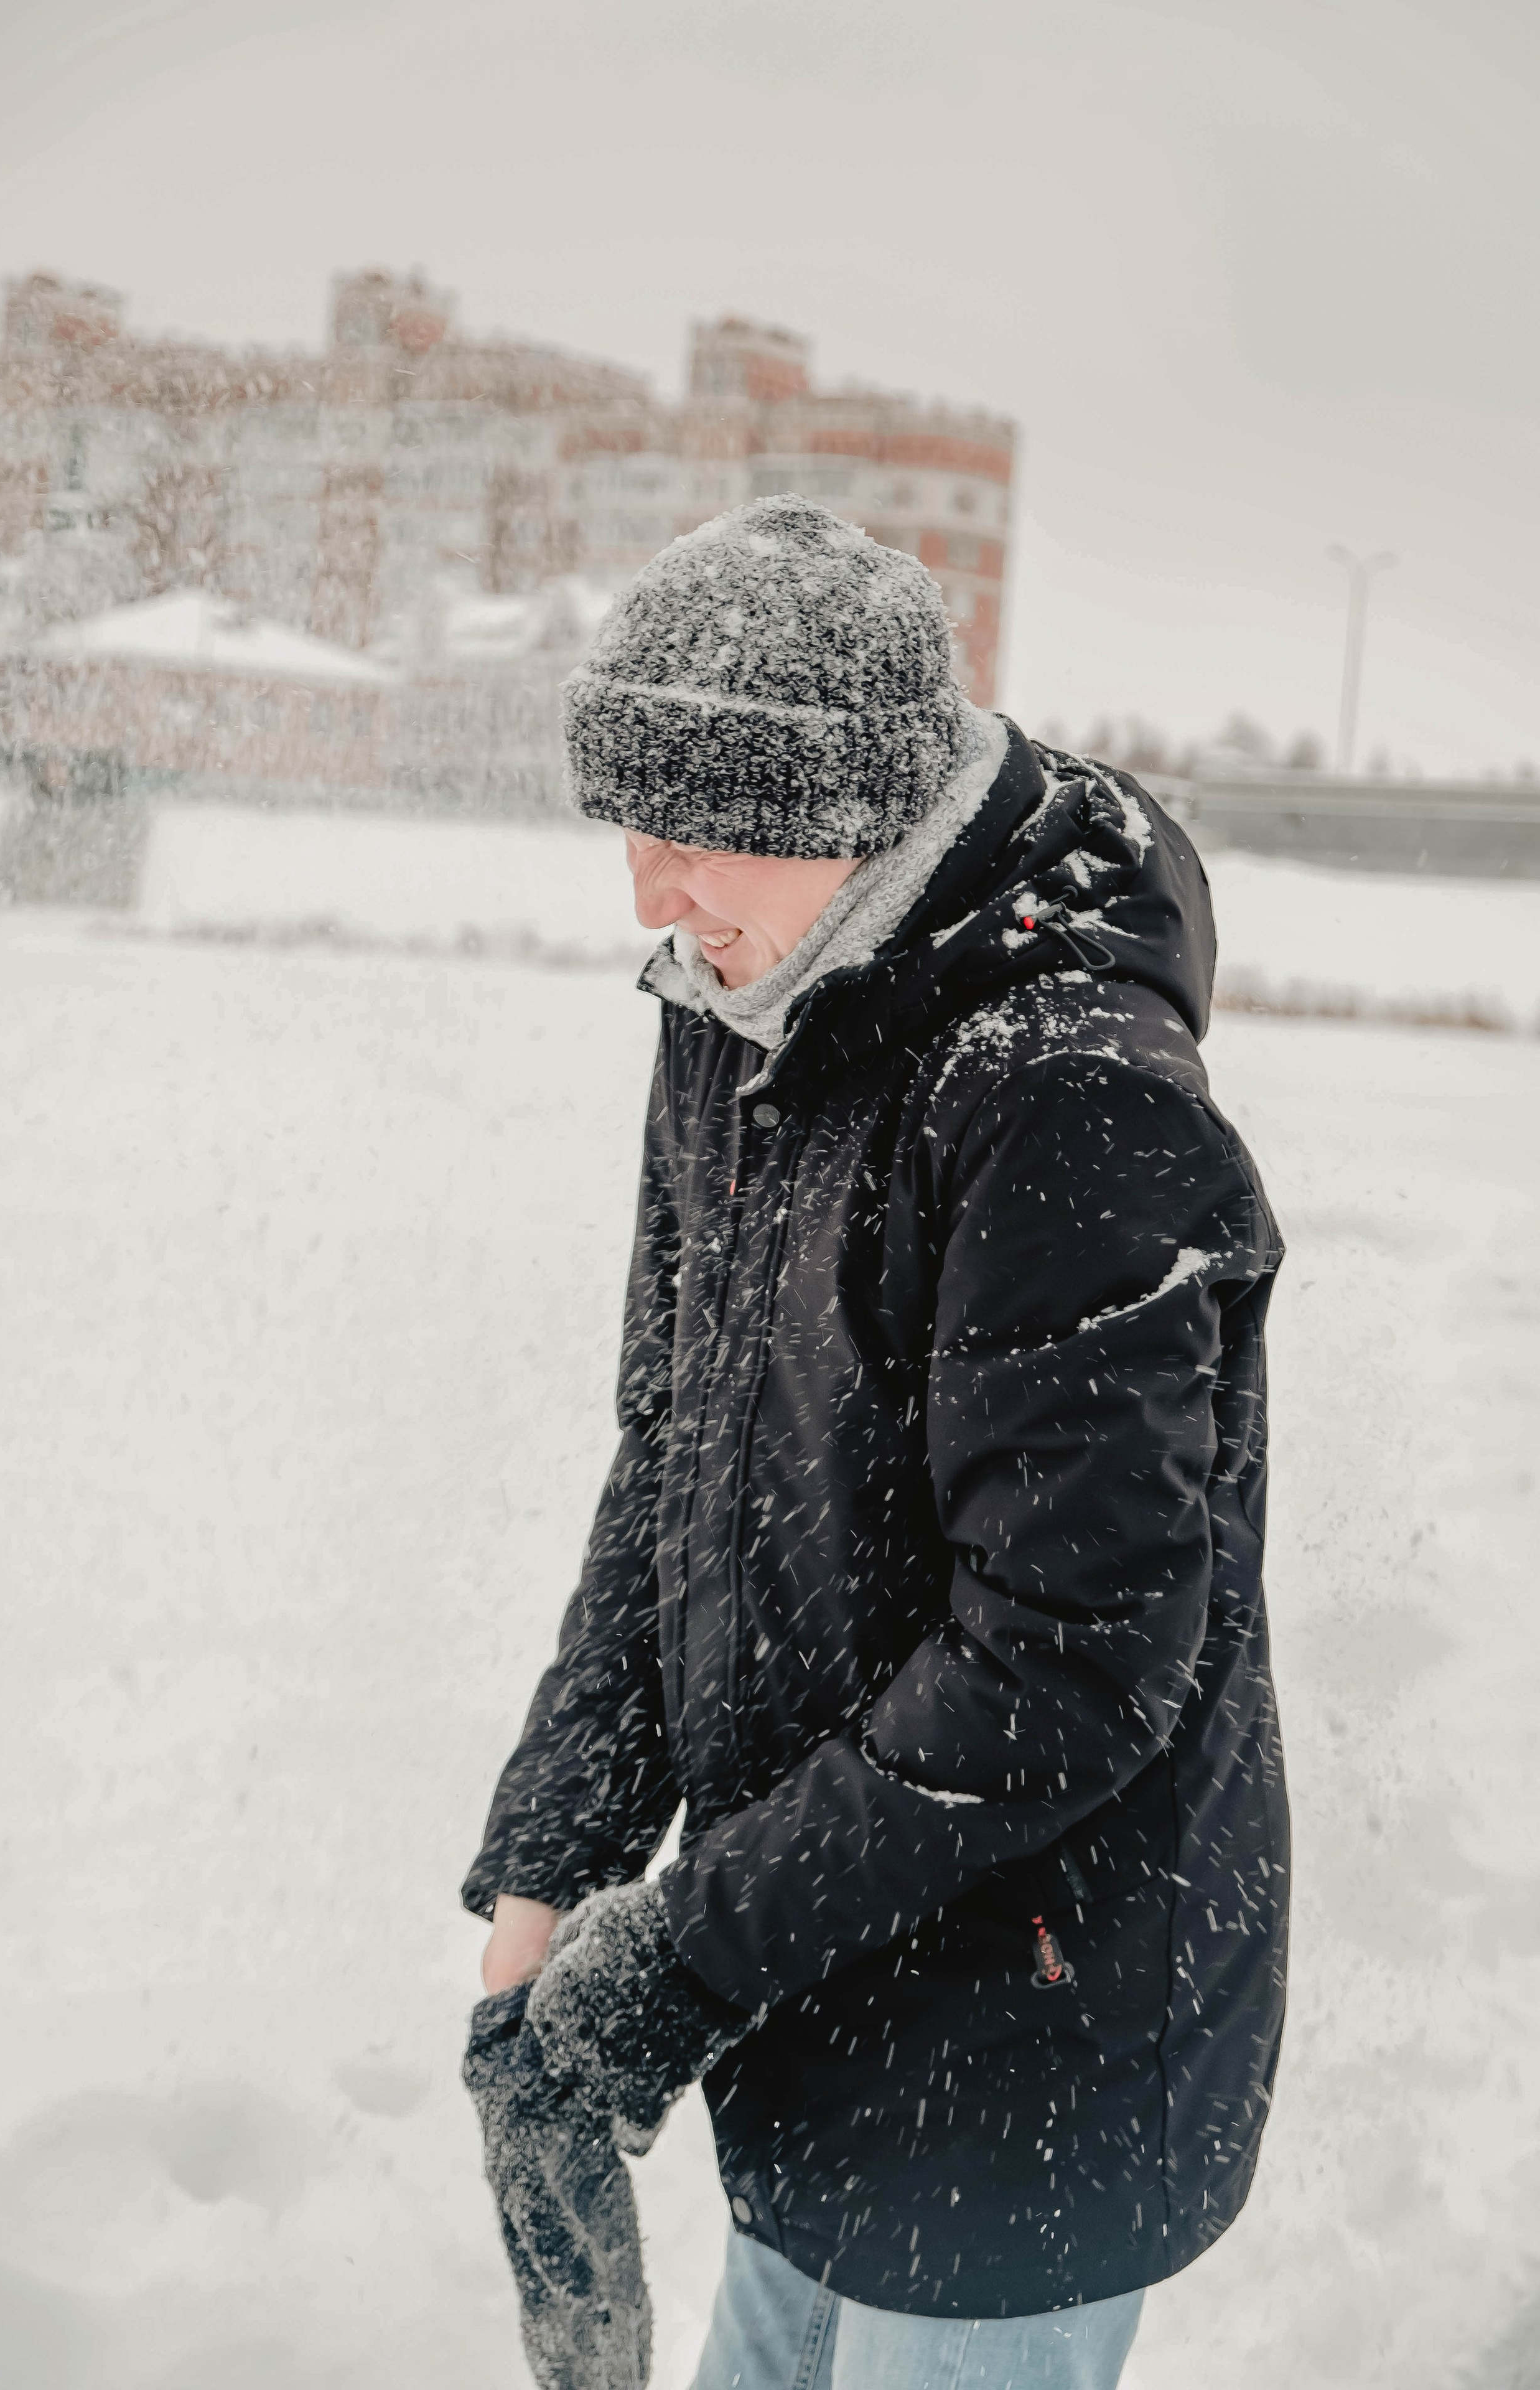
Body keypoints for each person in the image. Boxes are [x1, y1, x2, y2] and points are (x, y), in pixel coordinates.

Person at [462, 495, 1289, 2390]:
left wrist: (669, 1968)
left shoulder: (1066, 1105)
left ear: (852, 815)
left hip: (1035, 2048)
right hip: (818, 1971)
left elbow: (1069, 1667)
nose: (648, 895)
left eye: (696, 835)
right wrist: (550, 1876)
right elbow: (673, 1454)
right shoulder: (743, 998)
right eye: (628, 832)